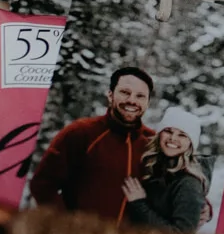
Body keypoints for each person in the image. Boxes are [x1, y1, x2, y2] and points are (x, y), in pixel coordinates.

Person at [29, 66, 152, 218]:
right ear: (110, 95)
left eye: (140, 96)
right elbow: (42, 185)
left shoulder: (153, 143)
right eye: (125, 92)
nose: (132, 100)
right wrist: (67, 224)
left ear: (147, 102)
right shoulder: (81, 132)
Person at [127, 106, 210, 234]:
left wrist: (139, 204)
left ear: (191, 143)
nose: (173, 138)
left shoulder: (188, 183)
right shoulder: (152, 165)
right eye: (168, 131)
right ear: (159, 134)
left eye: (182, 135)